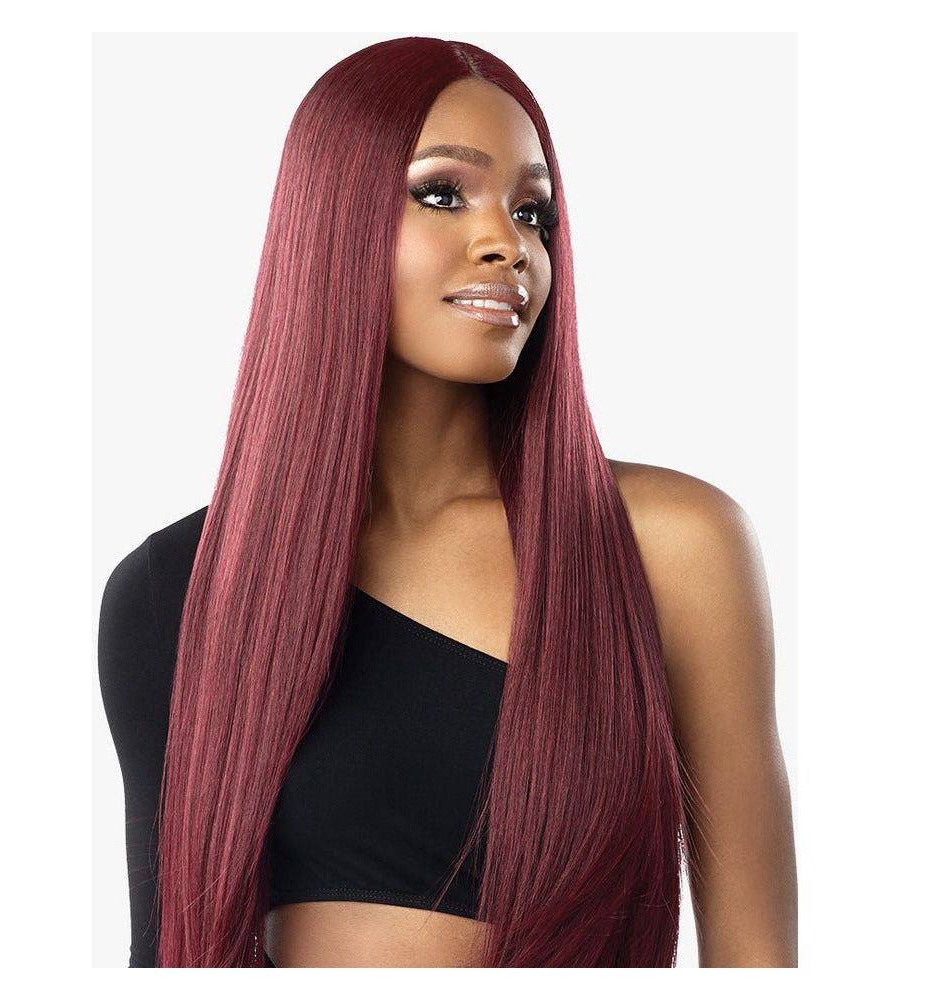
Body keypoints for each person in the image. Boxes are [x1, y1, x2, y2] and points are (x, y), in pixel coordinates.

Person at [98, 36, 797, 968]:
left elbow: (757, 963)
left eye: (534, 212)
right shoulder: (174, 592)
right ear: (331, 221)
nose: (510, 243)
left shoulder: (668, 545)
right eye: (442, 194)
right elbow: (169, 958)